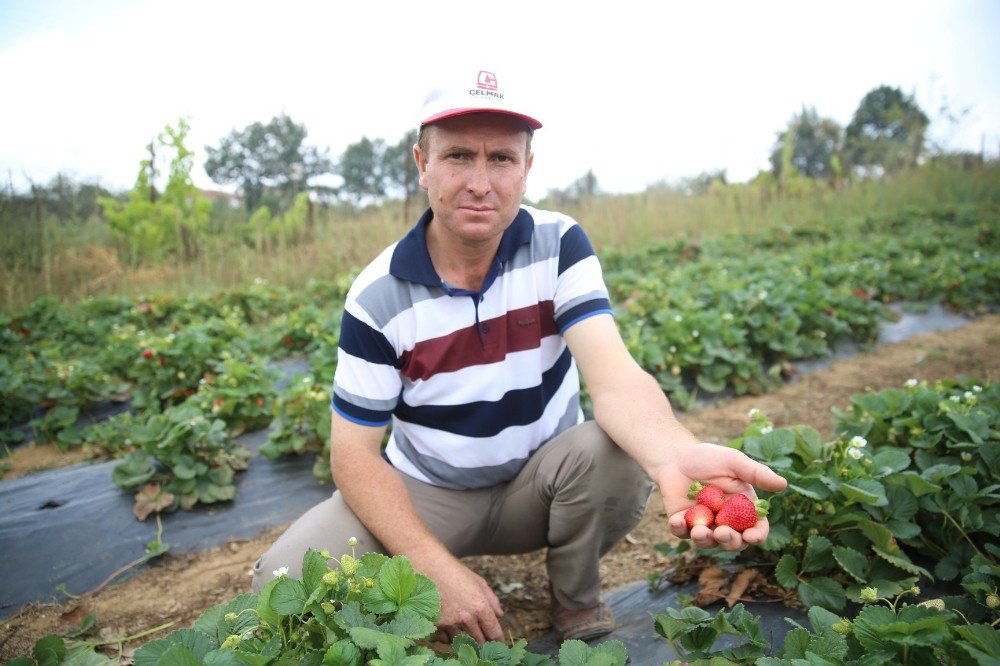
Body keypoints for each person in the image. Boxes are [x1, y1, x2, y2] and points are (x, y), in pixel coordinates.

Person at [252, 68, 787, 644]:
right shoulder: (378, 296)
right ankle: (407, 596)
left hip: (542, 483)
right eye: (458, 156)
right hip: (430, 493)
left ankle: (575, 597)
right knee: (283, 580)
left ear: (527, 168)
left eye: (502, 159)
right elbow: (353, 455)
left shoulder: (558, 245)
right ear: (421, 164)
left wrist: (675, 455)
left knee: (615, 450)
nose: (480, 182)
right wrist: (433, 567)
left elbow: (613, 378)